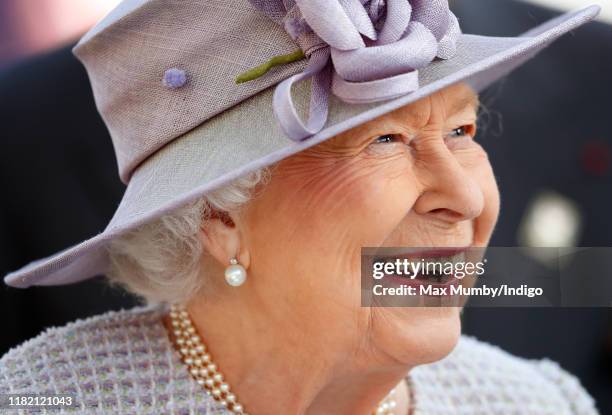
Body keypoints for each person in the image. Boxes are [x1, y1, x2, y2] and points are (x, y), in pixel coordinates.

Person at [0, 0, 601, 413]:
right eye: (384, 140)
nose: (466, 197)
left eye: (462, 132)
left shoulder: (536, 403)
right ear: (220, 220)